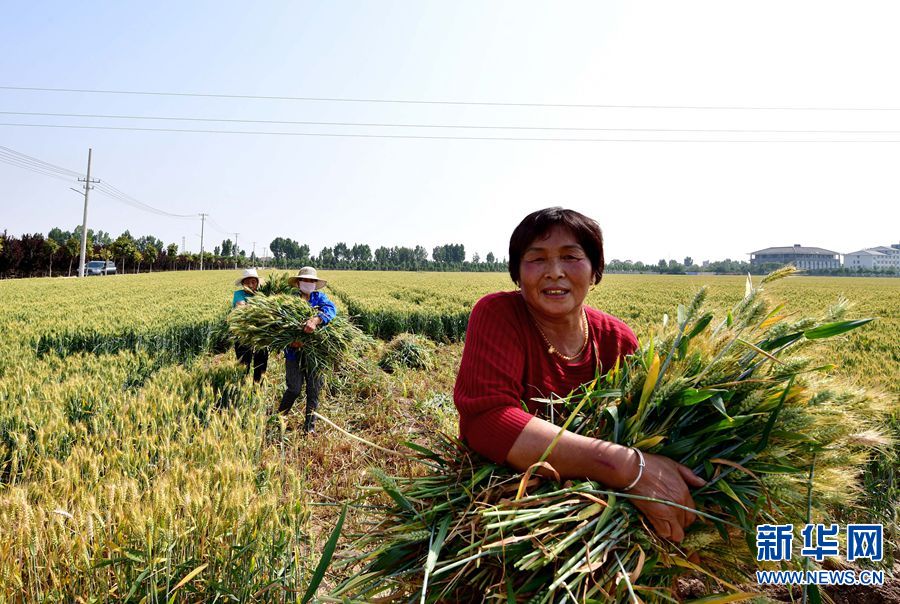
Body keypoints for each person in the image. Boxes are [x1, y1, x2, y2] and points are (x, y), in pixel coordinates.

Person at [454, 207, 706, 543]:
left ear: (594, 270)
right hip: (505, 519)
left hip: (599, 529)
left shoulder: (617, 340)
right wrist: (623, 466)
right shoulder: (499, 315)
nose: (554, 272)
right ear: (517, 273)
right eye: (537, 258)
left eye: (571, 257)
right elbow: (487, 421)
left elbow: (642, 428)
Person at [278, 266, 337, 433]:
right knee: (294, 389)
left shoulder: (320, 298)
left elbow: (331, 310)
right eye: (305, 280)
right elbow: (279, 328)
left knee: (314, 390)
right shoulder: (289, 301)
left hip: (315, 354)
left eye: (312, 281)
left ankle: (309, 429)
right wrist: (291, 343)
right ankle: (279, 419)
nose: (308, 283)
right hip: (293, 353)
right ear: (298, 283)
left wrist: (316, 319)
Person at [232, 268, 269, 382]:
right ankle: (242, 387)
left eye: (253, 282)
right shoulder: (238, 294)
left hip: (260, 333)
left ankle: (258, 386)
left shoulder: (263, 295)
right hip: (243, 334)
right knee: (243, 364)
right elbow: (241, 308)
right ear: (243, 284)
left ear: (257, 283)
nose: (250, 284)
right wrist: (261, 308)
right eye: (247, 282)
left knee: (261, 362)